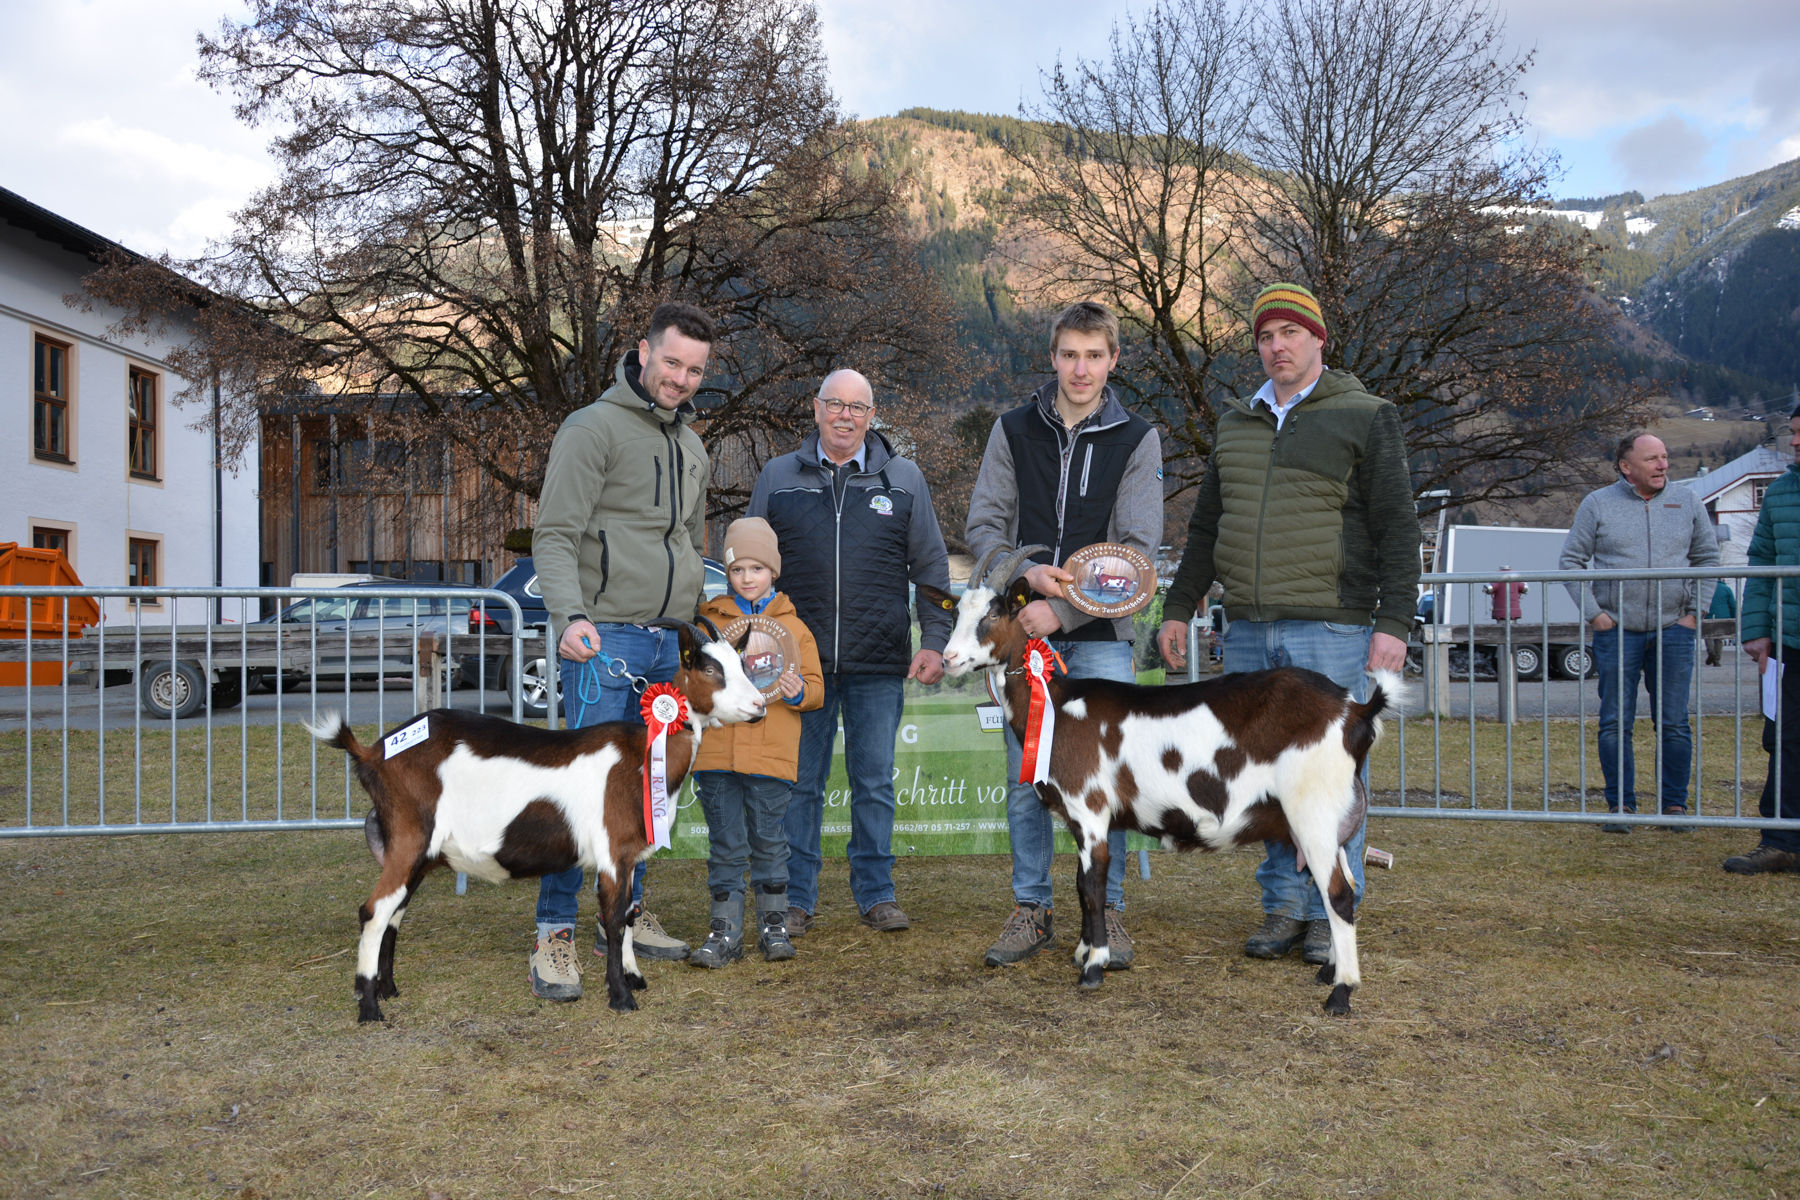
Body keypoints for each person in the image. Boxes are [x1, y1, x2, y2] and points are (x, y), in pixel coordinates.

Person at [1156, 282, 1418, 966]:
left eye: (1290, 334)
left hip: (1328, 626)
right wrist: (1179, 604)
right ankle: (1281, 908)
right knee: (1264, 781)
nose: (1277, 346)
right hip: (1246, 628)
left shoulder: (1366, 415)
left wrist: (1394, 620)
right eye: (1266, 337)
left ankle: (1331, 917)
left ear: (1318, 338)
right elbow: (1209, 525)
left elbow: (1398, 526)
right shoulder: (1237, 424)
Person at [964, 300, 1163, 968]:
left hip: (1101, 639)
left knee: (1105, 781)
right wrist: (1028, 576)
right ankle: (1030, 908)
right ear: (1053, 357)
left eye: (1095, 355)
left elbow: (1136, 552)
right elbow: (984, 530)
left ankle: (1106, 912)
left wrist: (1067, 609)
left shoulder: (1137, 439)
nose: (1081, 368)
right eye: (1070, 354)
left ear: (1113, 361)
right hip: (1023, 635)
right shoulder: (1012, 429)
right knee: (1028, 779)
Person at [528, 300, 716, 1001]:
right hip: (601, 641)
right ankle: (554, 936)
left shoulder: (692, 446)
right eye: (672, 362)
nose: (681, 379)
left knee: (650, 797)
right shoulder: (592, 429)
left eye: (695, 370)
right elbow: (554, 535)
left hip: (667, 648)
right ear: (643, 352)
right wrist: (570, 615)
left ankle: (624, 919)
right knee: (581, 799)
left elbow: (687, 547)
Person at [747, 368, 953, 934]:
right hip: (799, 668)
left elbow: (932, 570)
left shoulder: (905, 479)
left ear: (871, 414)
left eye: (857, 407)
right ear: (815, 409)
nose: (845, 416)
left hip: (878, 662)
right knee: (799, 784)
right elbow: (752, 566)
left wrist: (934, 640)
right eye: (834, 404)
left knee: (874, 783)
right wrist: (756, 642)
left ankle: (876, 893)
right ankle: (794, 899)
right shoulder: (778, 476)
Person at [1558, 432, 1719, 833]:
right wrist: (1597, 615)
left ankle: (1675, 807)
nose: (1663, 465)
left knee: (1675, 723)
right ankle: (1621, 807)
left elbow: (1707, 558)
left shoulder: (1689, 501)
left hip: (1675, 630)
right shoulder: (1597, 503)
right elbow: (1571, 562)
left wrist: (1694, 613)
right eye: (1652, 459)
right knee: (1614, 721)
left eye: (1665, 457)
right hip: (1617, 632)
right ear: (1626, 467)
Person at [687, 517, 824, 966]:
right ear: (727, 574)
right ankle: (724, 932)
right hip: (718, 753)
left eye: (756, 569)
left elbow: (816, 688)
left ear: (773, 572)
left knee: (769, 842)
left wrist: (798, 691)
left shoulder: (794, 628)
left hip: (770, 755)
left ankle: (774, 928)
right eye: (737, 569)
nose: (747, 578)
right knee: (725, 844)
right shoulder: (708, 624)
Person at [1726, 405, 1800, 874]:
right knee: (1785, 740)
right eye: (1793, 434)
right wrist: (1755, 630)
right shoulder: (1780, 493)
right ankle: (1781, 841)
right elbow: (1761, 564)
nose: (1795, 443)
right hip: (1791, 639)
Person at [1704, 580, 1736, 667]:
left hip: (1708, 615)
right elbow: (1732, 605)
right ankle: (1717, 660)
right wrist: (1734, 617)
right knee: (1719, 639)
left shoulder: (1706, 588)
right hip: (1723, 617)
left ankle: (1711, 653)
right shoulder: (1726, 589)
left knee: (1708, 636)